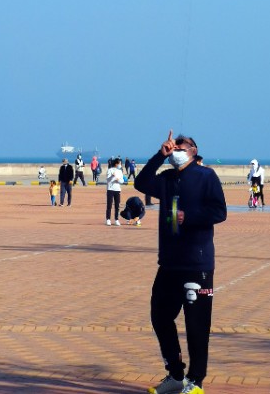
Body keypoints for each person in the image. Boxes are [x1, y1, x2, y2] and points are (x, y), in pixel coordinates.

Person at [135, 130, 227, 394]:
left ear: (193, 151)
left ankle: (196, 381)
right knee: (160, 316)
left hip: (197, 264)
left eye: (180, 147)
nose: (175, 150)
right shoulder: (166, 178)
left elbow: (219, 211)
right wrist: (159, 155)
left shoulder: (206, 176)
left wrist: (191, 216)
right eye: (173, 147)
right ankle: (175, 374)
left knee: (197, 324)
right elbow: (141, 182)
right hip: (169, 263)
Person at [106, 158, 123, 225]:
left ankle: (116, 219)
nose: (120, 165)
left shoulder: (120, 171)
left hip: (117, 190)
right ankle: (108, 219)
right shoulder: (110, 170)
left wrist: (118, 180)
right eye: (119, 163)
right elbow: (108, 180)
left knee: (117, 206)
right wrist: (112, 176)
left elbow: (122, 181)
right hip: (110, 189)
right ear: (116, 164)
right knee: (109, 205)